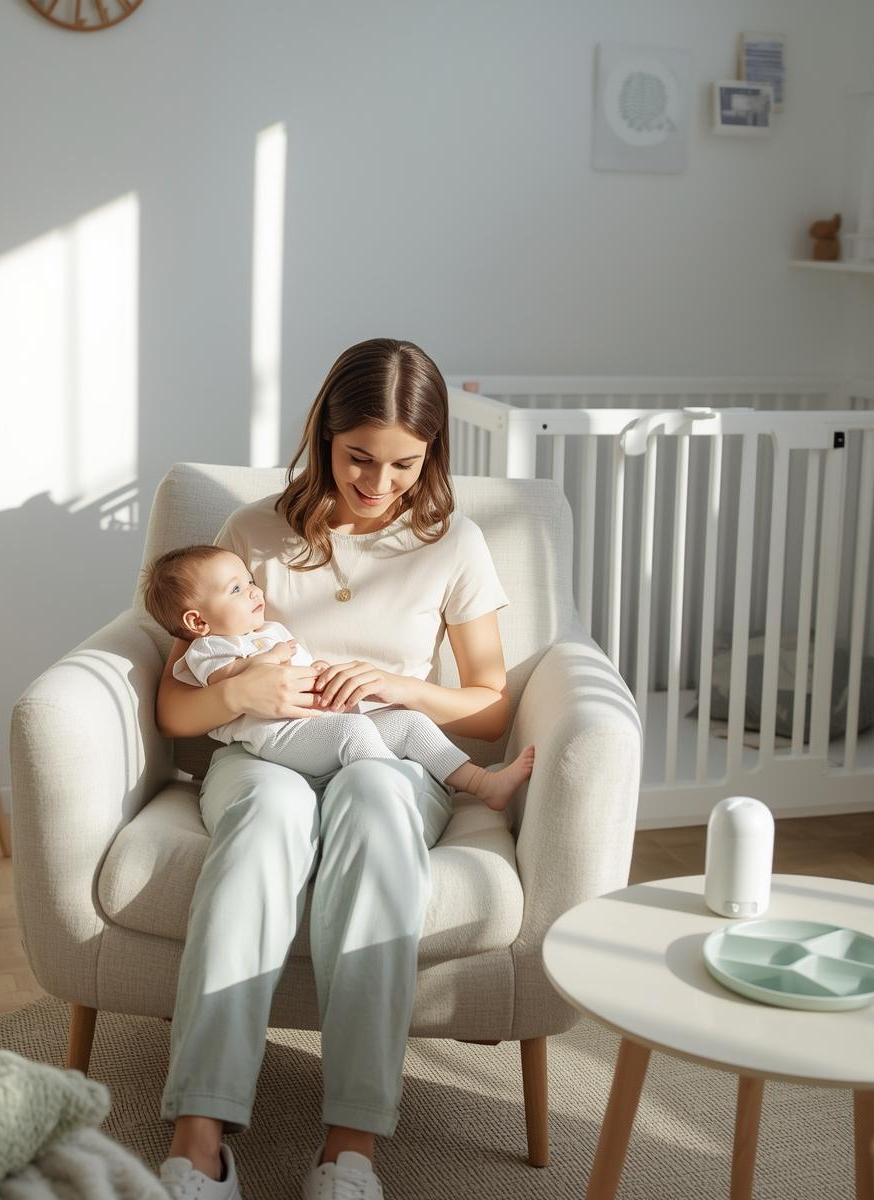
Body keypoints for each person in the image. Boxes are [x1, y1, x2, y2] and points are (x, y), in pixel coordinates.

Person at [155, 338, 517, 1200]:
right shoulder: (252, 534)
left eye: (403, 464)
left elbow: (493, 703)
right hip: (263, 756)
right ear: (324, 437)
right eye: (359, 458)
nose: (378, 484)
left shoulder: (455, 543)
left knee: (374, 803)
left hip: (386, 751)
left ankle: (351, 1147)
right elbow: (178, 712)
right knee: (268, 821)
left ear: (430, 456)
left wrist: (401, 687)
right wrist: (242, 686)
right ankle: (199, 1135)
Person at [140, 544, 534, 812]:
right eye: (237, 589)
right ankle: (400, 797)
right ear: (198, 621)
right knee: (355, 736)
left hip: (329, 719)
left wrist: (321, 673)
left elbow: (301, 667)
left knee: (412, 723)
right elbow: (227, 681)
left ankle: (482, 784)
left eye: (251, 581)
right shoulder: (209, 649)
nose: (254, 591)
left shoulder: (269, 631)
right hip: (280, 737)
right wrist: (263, 665)